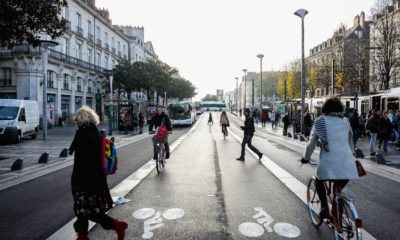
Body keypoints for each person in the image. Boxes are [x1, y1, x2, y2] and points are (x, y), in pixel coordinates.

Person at [69, 106, 128, 240]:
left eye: (77, 120)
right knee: (90, 211)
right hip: (97, 180)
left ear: (81, 120)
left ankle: (117, 226)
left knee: (85, 211)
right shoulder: (97, 134)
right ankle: (86, 234)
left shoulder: (82, 134)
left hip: (82, 181)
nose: (76, 122)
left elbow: (73, 151)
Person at [301, 98, 359, 220]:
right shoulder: (346, 121)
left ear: (325, 108)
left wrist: (306, 158)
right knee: (337, 189)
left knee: (318, 180)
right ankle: (337, 212)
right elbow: (350, 142)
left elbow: (311, 143)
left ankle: (324, 208)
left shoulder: (320, 121)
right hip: (347, 164)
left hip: (329, 163)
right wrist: (352, 156)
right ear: (340, 109)